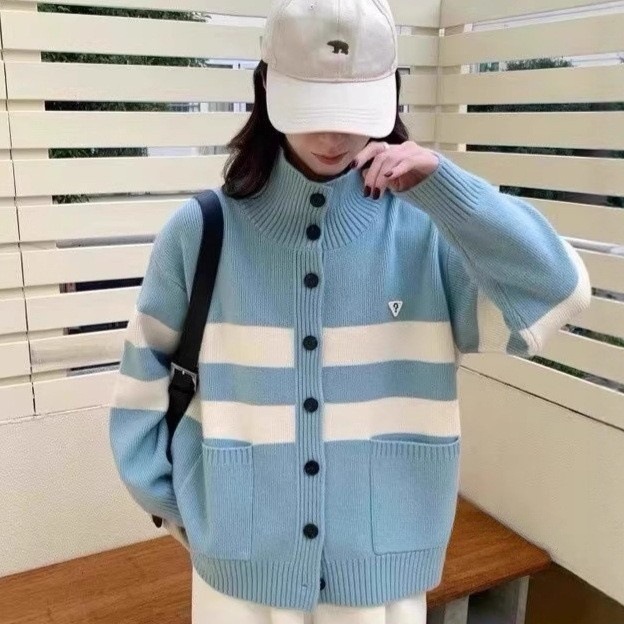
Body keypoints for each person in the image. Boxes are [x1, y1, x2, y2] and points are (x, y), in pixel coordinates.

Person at [108, 0, 592, 622]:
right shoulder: (203, 231)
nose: (333, 137)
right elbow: (140, 384)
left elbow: (559, 292)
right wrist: (196, 517)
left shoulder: (426, 230)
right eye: (312, 111)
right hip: (238, 577)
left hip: (380, 580)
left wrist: (448, 188)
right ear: (266, 90)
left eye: (354, 112)